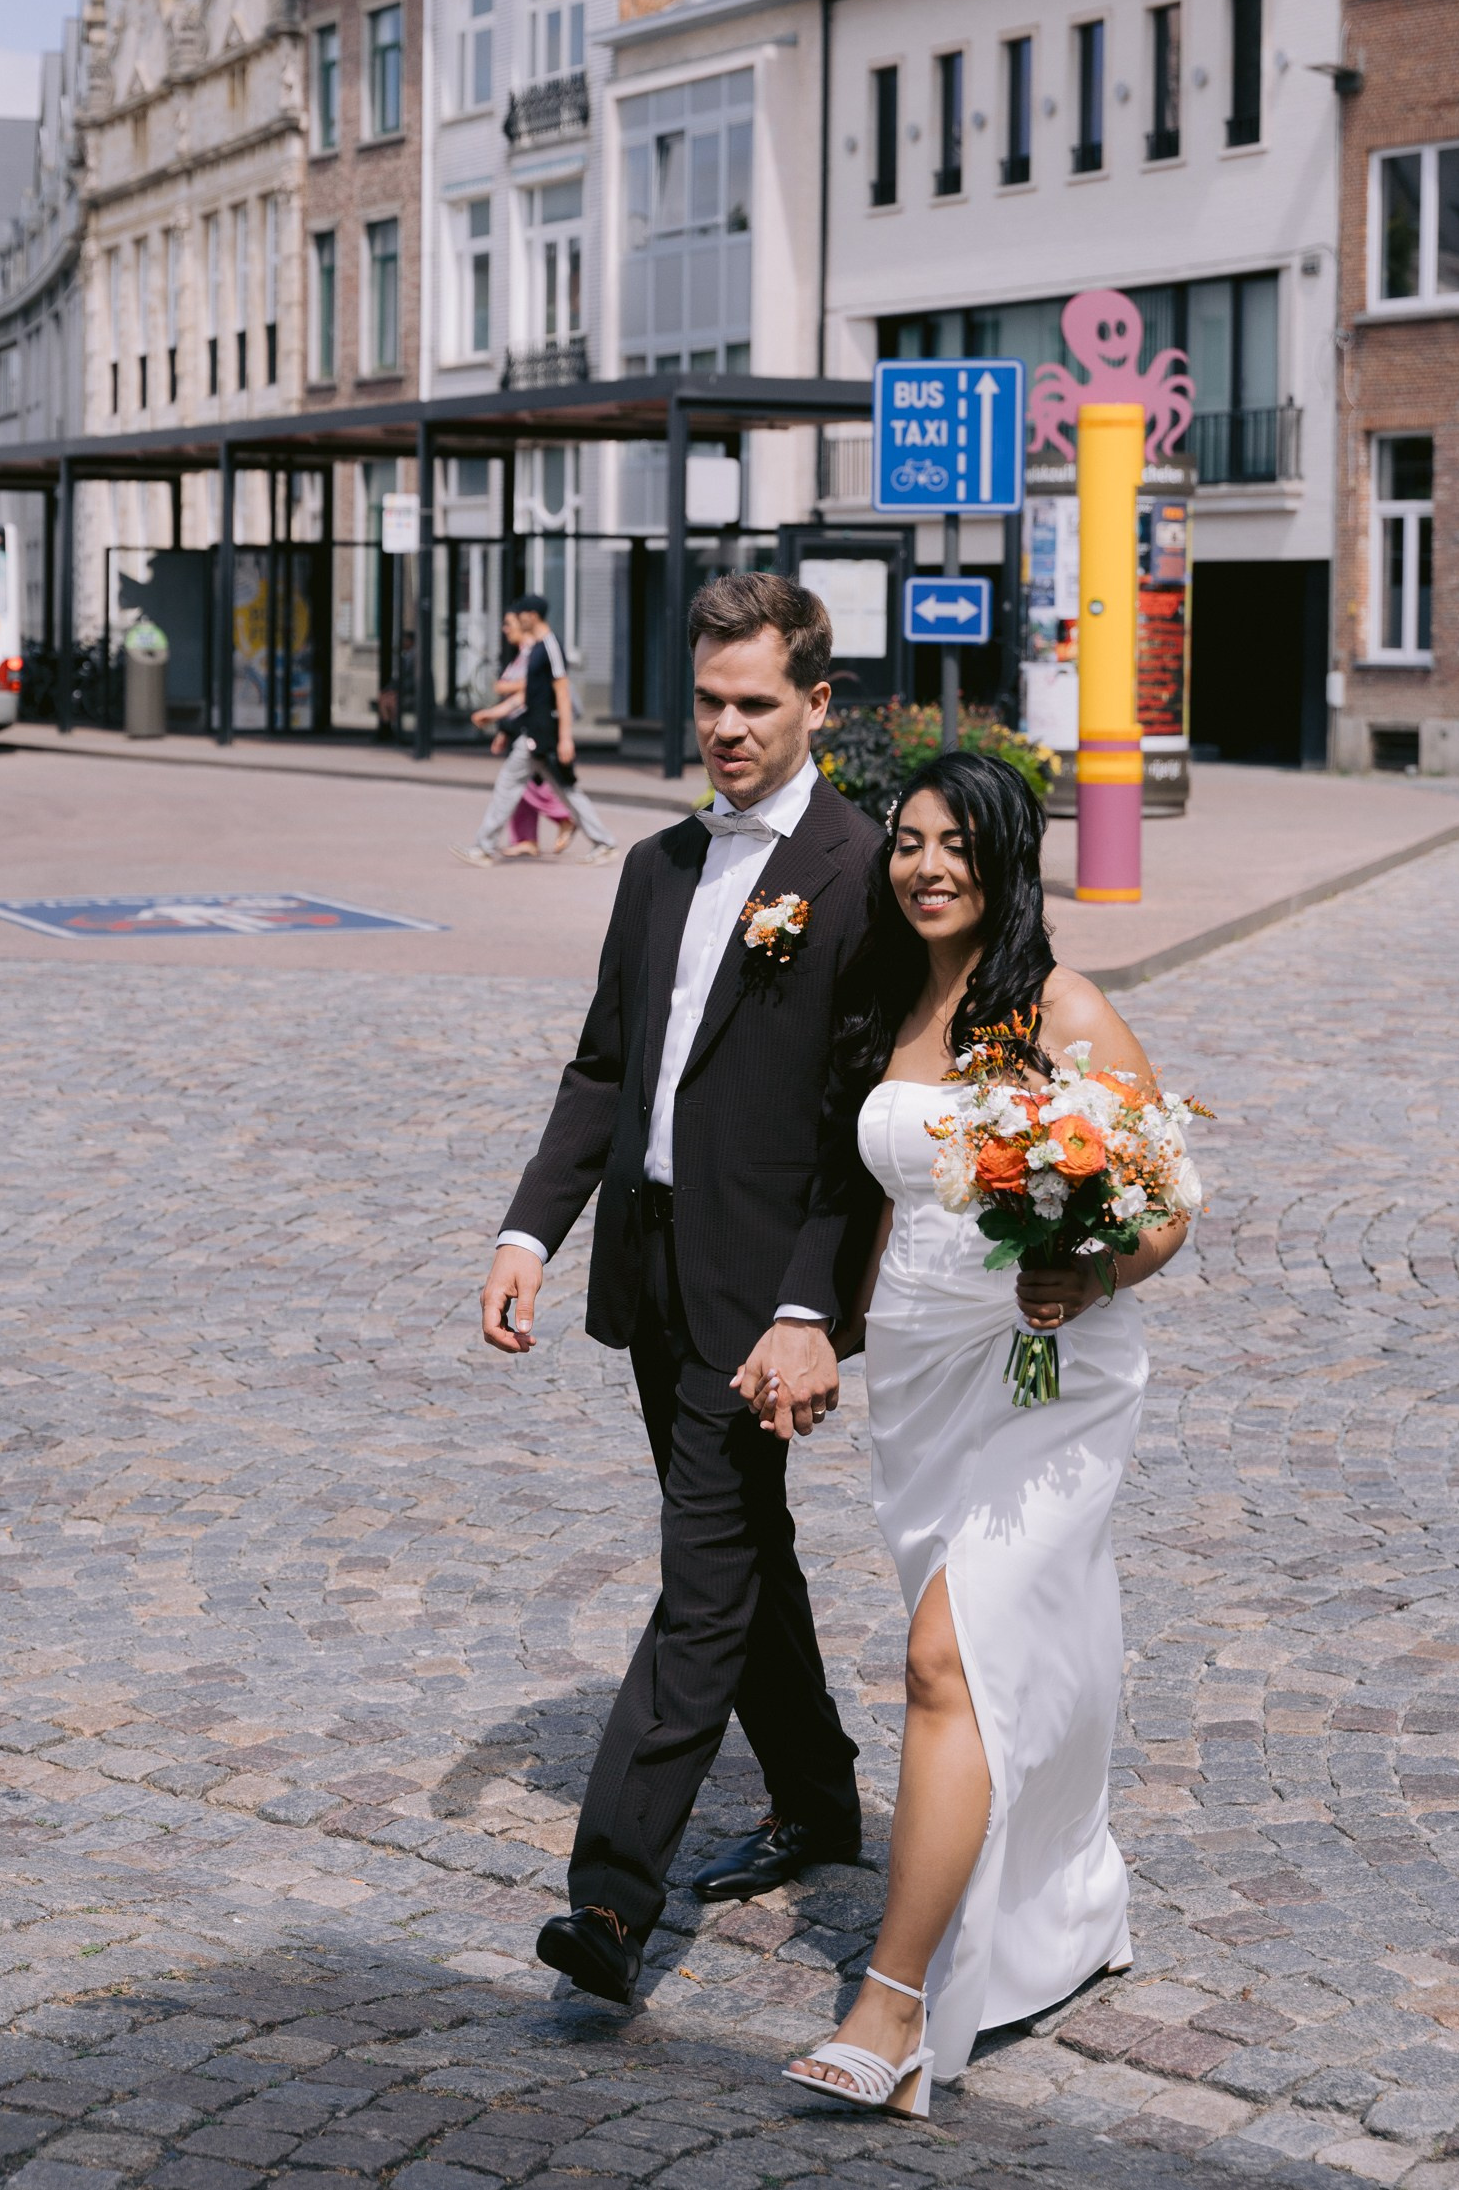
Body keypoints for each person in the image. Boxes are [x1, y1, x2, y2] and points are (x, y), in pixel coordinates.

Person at [478, 571, 883, 2003]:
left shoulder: (856, 872)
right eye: (708, 701)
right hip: (651, 1271)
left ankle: (610, 1898)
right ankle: (824, 1801)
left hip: (765, 1295)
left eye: (754, 703)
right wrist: (533, 1229)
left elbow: (859, 1137)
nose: (725, 727)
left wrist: (807, 1309)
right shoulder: (656, 870)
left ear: (816, 703)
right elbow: (605, 1069)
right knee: (741, 1542)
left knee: (700, 1575)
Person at [777, 751, 1188, 2118]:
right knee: (1002, 1664)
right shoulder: (886, 1000)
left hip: (1049, 1372)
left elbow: (1166, 1206)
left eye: (956, 842)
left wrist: (1090, 1270)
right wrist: (819, 1331)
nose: (926, 864)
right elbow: (875, 1204)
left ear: (1006, 859)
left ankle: (891, 2004)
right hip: (925, 1375)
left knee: (945, 1655)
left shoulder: (1061, 1009)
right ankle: (1065, 1902)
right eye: (905, 840)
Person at [457, 594, 615, 866]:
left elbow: (562, 692)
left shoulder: (550, 646)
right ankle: (604, 843)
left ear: (531, 615)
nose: (515, 622)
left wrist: (565, 738)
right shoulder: (536, 649)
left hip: (544, 735)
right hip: (535, 733)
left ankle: (483, 848)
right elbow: (527, 696)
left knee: (516, 786)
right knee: (565, 790)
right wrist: (494, 715)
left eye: (519, 616)